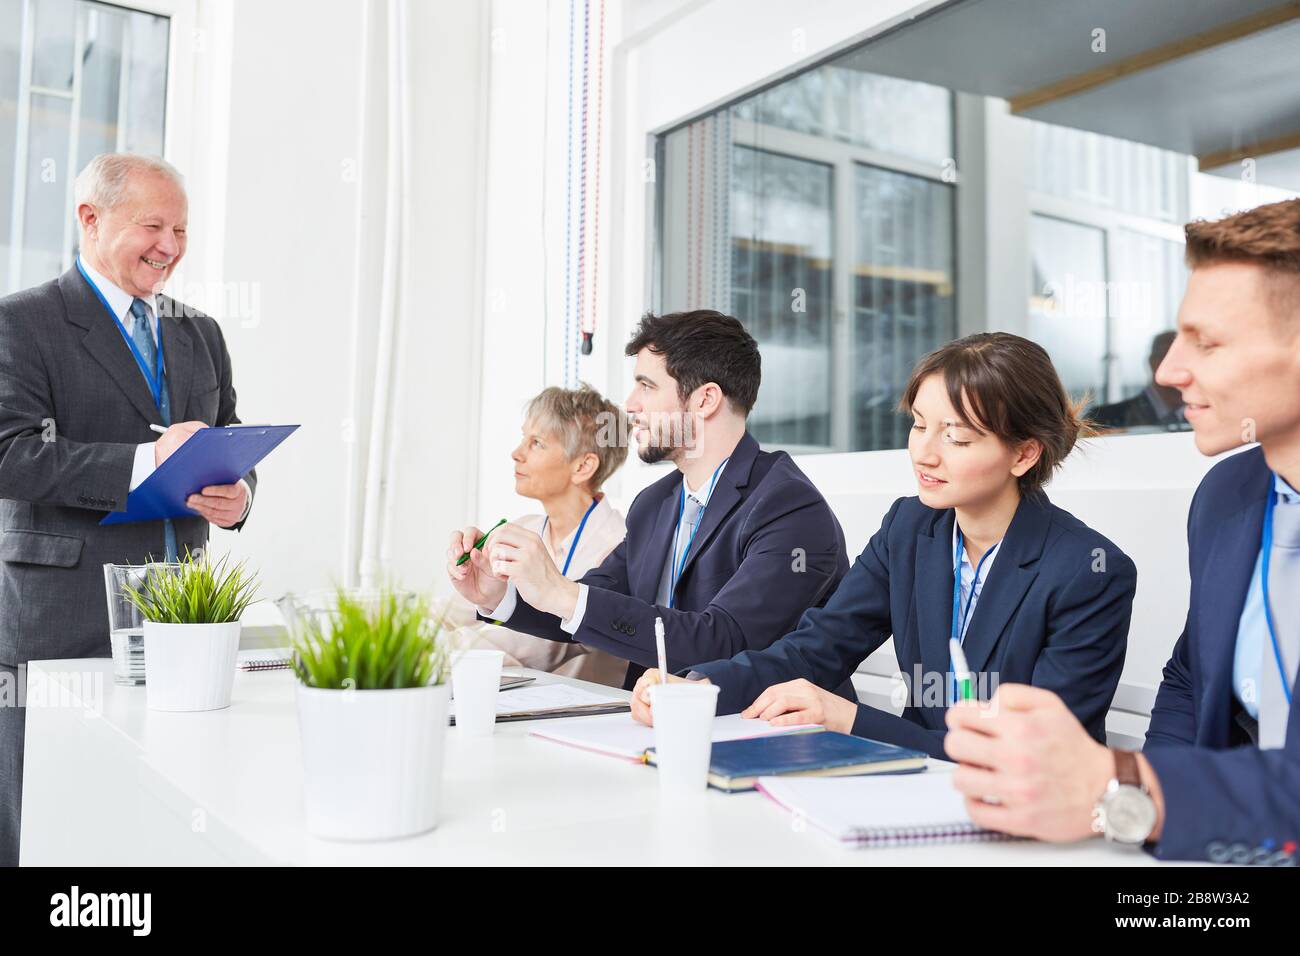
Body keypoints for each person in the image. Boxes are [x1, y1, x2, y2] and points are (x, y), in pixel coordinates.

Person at [944, 198, 1300, 864]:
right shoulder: (1228, 496)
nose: (1168, 372)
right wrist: (1138, 823)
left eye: (1208, 341)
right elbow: (1191, 684)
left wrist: (1123, 783)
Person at [631, 332, 1137, 761]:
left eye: (955, 437)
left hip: (1027, 817)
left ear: (1024, 454)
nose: (924, 452)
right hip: (918, 789)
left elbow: (1029, 754)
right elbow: (818, 647)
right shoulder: (910, 528)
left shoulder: (1088, 572)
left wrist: (849, 717)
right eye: (919, 424)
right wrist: (699, 687)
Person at [0, 153, 256, 867]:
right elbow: (9, 454)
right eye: (153, 224)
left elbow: (229, 438)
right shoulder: (22, 323)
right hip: (63, 620)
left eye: (181, 229)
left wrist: (236, 499)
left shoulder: (199, 331)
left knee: (151, 825)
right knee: (48, 823)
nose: (169, 246)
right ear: (90, 217)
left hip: (182, 627)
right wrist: (147, 464)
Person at [446, 309, 851, 692]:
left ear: (705, 400)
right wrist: (497, 595)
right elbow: (596, 598)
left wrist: (558, 590)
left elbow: (723, 641)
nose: (630, 405)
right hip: (654, 723)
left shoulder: (789, 508)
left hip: (768, 736)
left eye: (647, 385)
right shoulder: (655, 504)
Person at [445, 384, 629, 686]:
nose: (516, 453)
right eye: (523, 438)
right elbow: (455, 611)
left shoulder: (617, 546)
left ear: (583, 466)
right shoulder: (524, 528)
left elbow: (536, 645)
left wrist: (418, 651)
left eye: (537, 443)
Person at [1089, 330, 1185, 431]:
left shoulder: (1199, 421)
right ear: (1153, 363)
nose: (1186, 365)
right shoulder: (1102, 419)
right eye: (1178, 357)